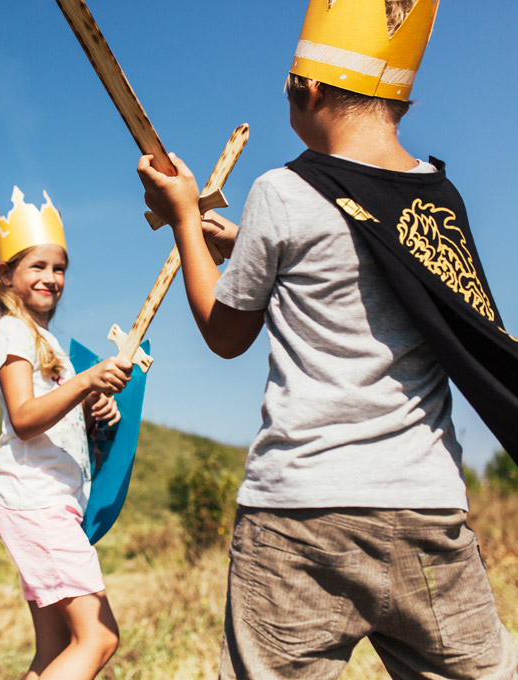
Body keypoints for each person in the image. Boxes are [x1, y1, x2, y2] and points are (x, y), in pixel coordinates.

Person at [136, 1, 518, 678]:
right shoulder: (439, 199)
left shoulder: (281, 191)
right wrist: (247, 243)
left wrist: (184, 224)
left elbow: (226, 332)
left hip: (298, 513)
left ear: (306, 89)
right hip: (425, 508)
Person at [0, 186, 133, 679]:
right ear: (7, 275)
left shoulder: (46, 342)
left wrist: (93, 409)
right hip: (35, 501)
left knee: (53, 651)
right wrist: (87, 380)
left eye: (59, 268)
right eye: (37, 267)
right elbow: (25, 418)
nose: (51, 278)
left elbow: (53, 416)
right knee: (98, 636)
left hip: (49, 501)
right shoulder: (11, 331)